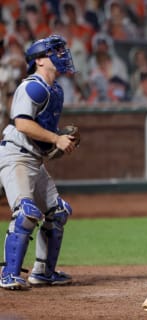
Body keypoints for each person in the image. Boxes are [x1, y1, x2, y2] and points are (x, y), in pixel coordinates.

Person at [0, 34, 78, 289]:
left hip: (33, 157)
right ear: (40, 60)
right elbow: (22, 123)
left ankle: (43, 272)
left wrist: (59, 140)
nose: (62, 54)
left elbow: (40, 131)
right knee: (26, 212)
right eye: (55, 51)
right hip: (16, 155)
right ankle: (9, 275)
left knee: (58, 212)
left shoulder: (55, 89)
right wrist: (57, 139)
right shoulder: (33, 86)